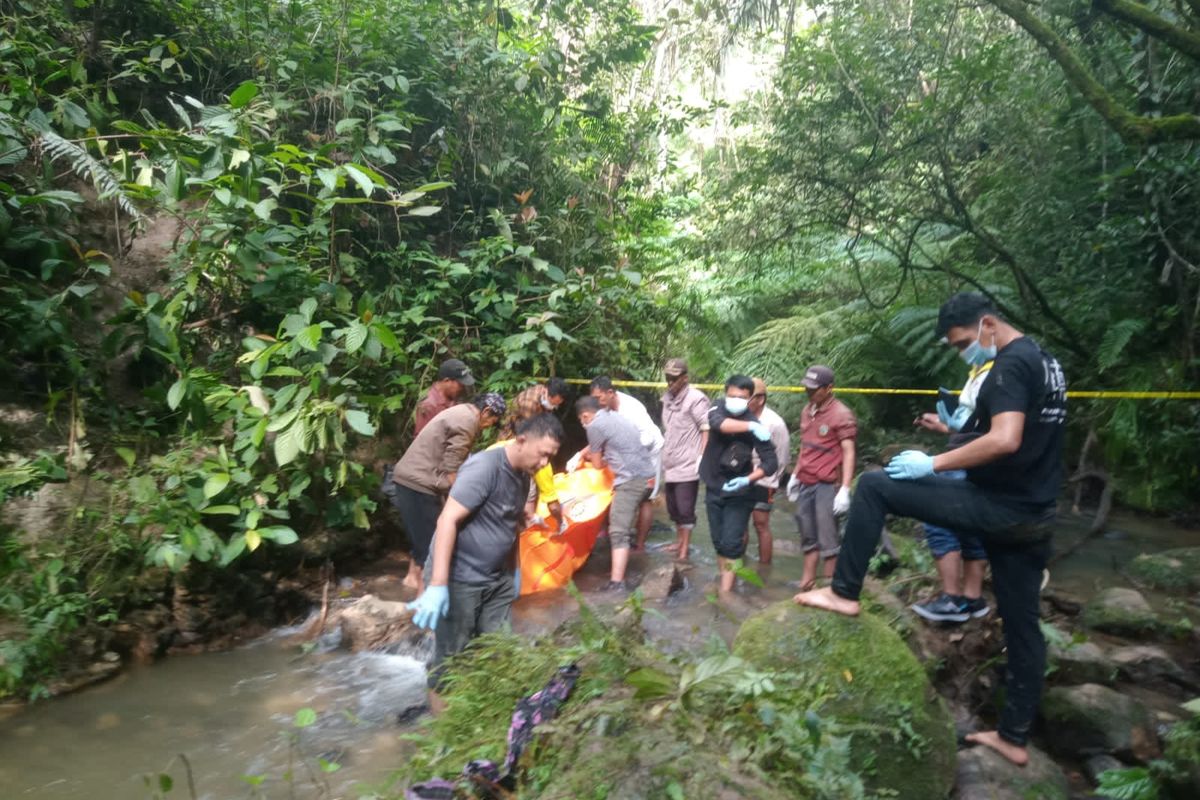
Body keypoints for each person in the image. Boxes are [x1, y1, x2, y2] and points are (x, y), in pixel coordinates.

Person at [796, 292, 1067, 768]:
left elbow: (1006, 440)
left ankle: (843, 592)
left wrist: (934, 463)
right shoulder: (1046, 362)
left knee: (877, 485)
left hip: (998, 506)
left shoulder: (1007, 365)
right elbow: (1016, 437)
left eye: (963, 342)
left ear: (987, 325)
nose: (963, 350)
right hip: (1034, 517)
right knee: (1024, 625)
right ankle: (1014, 737)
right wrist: (953, 434)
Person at [407, 413, 564, 698]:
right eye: (542, 455)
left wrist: (515, 569)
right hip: (461, 579)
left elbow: (505, 519)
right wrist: (439, 584)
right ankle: (444, 737)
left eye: (550, 458)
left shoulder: (522, 477)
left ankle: (480, 718)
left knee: (498, 652)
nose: (544, 464)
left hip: (497, 579)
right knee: (450, 664)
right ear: (521, 440)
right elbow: (447, 521)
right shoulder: (484, 468)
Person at [390, 392, 507, 594]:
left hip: (415, 480)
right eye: (492, 422)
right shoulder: (468, 422)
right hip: (419, 484)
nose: (489, 427)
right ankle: (423, 606)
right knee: (431, 549)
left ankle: (412, 587)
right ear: (486, 412)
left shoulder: (461, 411)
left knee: (424, 542)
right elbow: (451, 470)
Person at [909, 356, 996, 623]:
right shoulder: (980, 370)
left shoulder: (998, 374)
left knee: (938, 517)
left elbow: (994, 431)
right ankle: (972, 599)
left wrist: (936, 462)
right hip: (974, 458)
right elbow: (977, 425)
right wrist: (948, 426)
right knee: (969, 524)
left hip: (970, 459)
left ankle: (952, 599)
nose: (958, 350)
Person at [700, 375, 779, 594]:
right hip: (714, 486)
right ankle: (726, 580)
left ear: (750, 398)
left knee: (732, 544)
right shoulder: (716, 407)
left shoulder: (755, 422)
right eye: (732, 396)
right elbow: (719, 425)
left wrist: (749, 479)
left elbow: (771, 462)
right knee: (718, 542)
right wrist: (750, 427)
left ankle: (726, 592)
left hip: (741, 492)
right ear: (726, 393)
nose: (736, 400)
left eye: (742, 397)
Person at [573, 395, 657, 592]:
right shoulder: (617, 417)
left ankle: (617, 583)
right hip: (648, 476)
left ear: (585, 415)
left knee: (618, 531)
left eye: (581, 420)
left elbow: (596, 464)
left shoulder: (594, 426)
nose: (582, 424)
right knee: (623, 523)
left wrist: (585, 461)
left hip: (631, 480)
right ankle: (624, 564)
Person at [788, 365, 856, 591]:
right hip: (806, 481)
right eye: (807, 388)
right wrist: (795, 475)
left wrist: (845, 488)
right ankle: (807, 582)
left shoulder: (841, 414)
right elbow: (805, 447)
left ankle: (829, 588)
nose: (809, 393)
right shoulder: (807, 411)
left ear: (829, 388)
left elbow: (848, 451)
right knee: (807, 533)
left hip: (827, 484)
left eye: (814, 389)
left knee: (828, 537)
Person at [587, 376, 664, 550]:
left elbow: (648, 438)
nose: (597, 402)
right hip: (626, 455)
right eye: (594, 399)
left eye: (599, 398)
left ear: (610, 393)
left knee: (646, 498)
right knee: (621, 492)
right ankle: (619, 535)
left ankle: (640, 545)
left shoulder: (632, 408)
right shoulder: (606, 410)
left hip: (649, 453)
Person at [500, 377, 570, 530]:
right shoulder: (529, 403)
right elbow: (529, 433)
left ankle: (527, 525)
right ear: (545, 391)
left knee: (529, 490)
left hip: (526, 444)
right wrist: (561, 522)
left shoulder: (544, 398)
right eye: (552, 402)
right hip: (513, 442)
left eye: (556, 405)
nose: (552, 407)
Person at [659, 358, 710, 561]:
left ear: (685, 378)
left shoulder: (696, 399)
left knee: (686, 509)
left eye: (674, 378)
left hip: (688, 465)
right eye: (667, 378)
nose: (670, 382)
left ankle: (684, 550)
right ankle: (679, 541)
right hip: (671, 464)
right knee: (673, 508)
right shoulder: (668, 399)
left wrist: (702, 457)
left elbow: (706, 428)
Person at [745, 378, 791, 564]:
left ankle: (764, 570)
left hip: (764, 478)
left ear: (760, 399)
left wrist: (772, 480)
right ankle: (736, 568)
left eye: (748, 398)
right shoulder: (741, 419)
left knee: (760, 524)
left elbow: (782, 457)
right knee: (738, 524)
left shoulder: (774, 423)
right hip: (742, 476)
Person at [414, 358, 475, 435]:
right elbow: (422, 441)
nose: (462, 387)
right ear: (447, 381)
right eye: (460, 384)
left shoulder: (453, 396)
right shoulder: (429, 405)